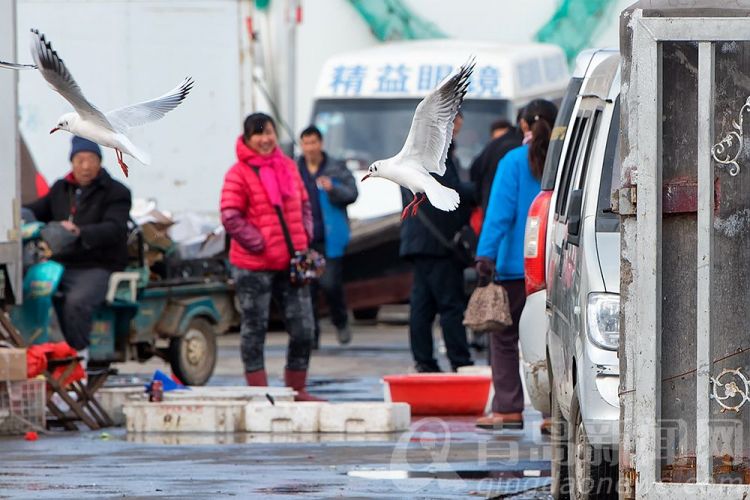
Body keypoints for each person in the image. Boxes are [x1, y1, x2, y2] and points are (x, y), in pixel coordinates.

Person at [220, 112, 322, 401]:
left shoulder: (288, 167)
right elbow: (230, 216)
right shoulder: (237, 173)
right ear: (248, 139)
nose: (265, 139)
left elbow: (304, 204)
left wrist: (305, 233)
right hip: (253, 266)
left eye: (269, 133)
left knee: (304, 328)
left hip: (292, 263)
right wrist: (260, 242)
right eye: (258, 134)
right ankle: (260, 393)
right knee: (254, 329)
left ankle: (296, 389)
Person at [474, 99, 558, 430]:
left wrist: (485, 255)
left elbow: (499, 215)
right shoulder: (566, 159)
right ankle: (554, 413)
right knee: (553, 339)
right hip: (553, 266)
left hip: (513, 268)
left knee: (505, 338)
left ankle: (508, 408)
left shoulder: (511, 161)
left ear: (522, 125)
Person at [24, 136, 132, 355]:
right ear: (72, 162)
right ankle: (44, 353)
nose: (85, 166)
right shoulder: (61, 188)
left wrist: (80, 232)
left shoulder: (117, 192)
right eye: (80, 160)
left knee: (76, 302)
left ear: (99, 162)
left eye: (91, 159)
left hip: (97, 265)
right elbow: (35, 210)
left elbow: (115, 229)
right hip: (60, 264)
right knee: (32, 295)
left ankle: (79, 359)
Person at [400, 113, 475, 373]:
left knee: (423, 304)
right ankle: (459, 361)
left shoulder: (411, 151)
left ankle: (424, 361)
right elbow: (448, 188)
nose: (457, 127)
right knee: (449, 305)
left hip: (419, 242)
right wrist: (477, 191)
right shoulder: (428, 153)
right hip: (437, 244)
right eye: (454, 121)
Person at [297, 125, 358, 347]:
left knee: (331, 284)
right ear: (301, 145)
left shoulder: (335, 168)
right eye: (306, 143)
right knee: (307, 288)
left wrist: (333, 188)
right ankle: (312, 336)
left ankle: (340, 321)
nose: (310, 147)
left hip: (330, 239)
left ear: (320, 143)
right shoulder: (296, 169)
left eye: (314, 142)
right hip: (305, 241)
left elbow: (353, 193)